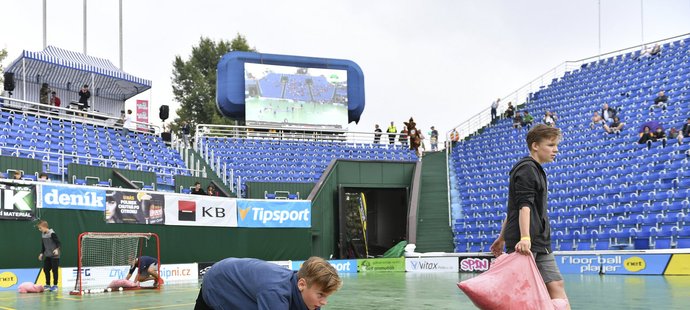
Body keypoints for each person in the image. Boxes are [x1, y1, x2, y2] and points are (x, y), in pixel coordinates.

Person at [490, 124, 569, 309]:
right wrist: (524, 237)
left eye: (556, 145)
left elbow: (514, 209)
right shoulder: (526, 169)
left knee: (556, 284)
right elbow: (523, 206)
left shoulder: (537, 169)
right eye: (551, 145)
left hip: (540, 240)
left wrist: (501, 238)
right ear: (535, 146)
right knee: (521, 292)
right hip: (526, 241)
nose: (555, 149)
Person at [195, 256, 342, 310]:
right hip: (219, 283)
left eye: (326, 296)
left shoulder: (312, 301)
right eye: (321, 295)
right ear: (302, 284)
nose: (324, 302)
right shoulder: (275, 293)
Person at [37, 220, 61, 291]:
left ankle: (55, 285)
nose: (39, 229)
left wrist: (57, 249)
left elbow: (59, 243)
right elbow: (43, 245)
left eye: (40, 228)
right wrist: (41, 253)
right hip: (48, 255)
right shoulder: (43, 234)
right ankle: (47, 285)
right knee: (46, 269)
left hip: (55, 256)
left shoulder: (52, 234)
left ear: (45, 227)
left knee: (54, 270)